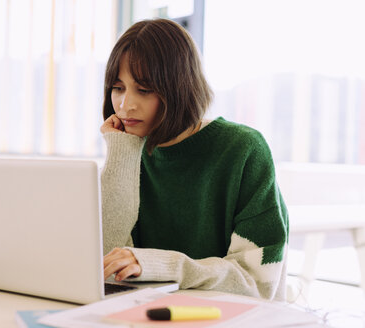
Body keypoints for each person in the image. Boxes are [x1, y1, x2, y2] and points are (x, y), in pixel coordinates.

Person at [99, 18, 289, 301]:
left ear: (178, 87)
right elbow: (107, 264)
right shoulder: (128, 151)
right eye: (118, 88)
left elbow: (257, 282)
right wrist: (122, 152)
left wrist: (162, 266)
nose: (126, 105)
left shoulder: (243, 149)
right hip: (150, 312)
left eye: (144, 90)